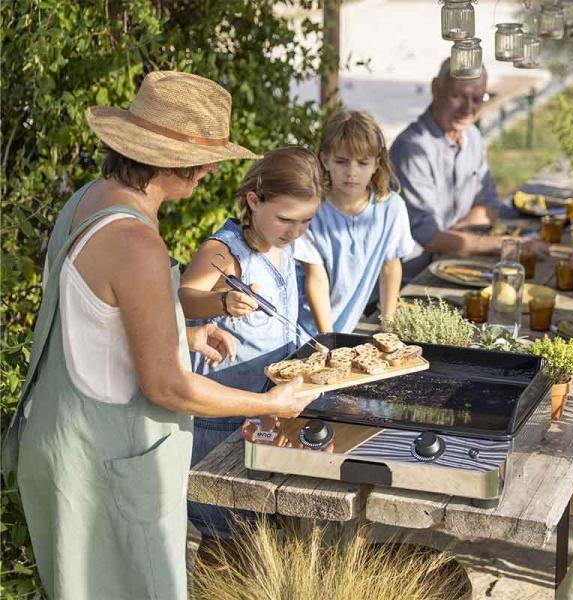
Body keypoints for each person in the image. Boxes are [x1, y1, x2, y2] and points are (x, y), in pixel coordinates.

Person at [1, 72, 318, 600]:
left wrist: (182, 335)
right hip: (106, 464)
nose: (214, 169)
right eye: (207, 158)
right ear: (169, 159)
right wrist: (273, 403)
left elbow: (92, 318)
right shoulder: (135, 241)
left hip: (62, 447)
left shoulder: (88, 200)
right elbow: (167, 388)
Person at [178, 147, 322, 542]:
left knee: (255, 532)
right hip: (219, 419)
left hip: (263, 413)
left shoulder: (282, 241)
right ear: (254, 201)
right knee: (221, 538)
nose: (294, 232)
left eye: (306, 221)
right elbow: (182, 296)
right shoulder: (224, 251)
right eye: (286, 220)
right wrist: (221, 301)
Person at [390, 58, 546, 280]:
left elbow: (490, 206)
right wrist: (509, 245)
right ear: (436, 88)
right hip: (412, 280)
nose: (468, 109)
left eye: (477, 98)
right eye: (458, 96)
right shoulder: (412, 148)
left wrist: (454, 234)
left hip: (456, 264)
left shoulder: (471, 136)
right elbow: (431, 238)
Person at [295, 111, 415, 334]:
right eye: (341, 162)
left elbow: (390, 266)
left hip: (346, 327)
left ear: (377, 163)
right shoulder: (311, 210)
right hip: (304, 328)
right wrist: (328, 338)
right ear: (325, 160)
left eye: (362, 163)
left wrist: (387, 325)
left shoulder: (391, 208)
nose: (352, 172)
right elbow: (315, 279)